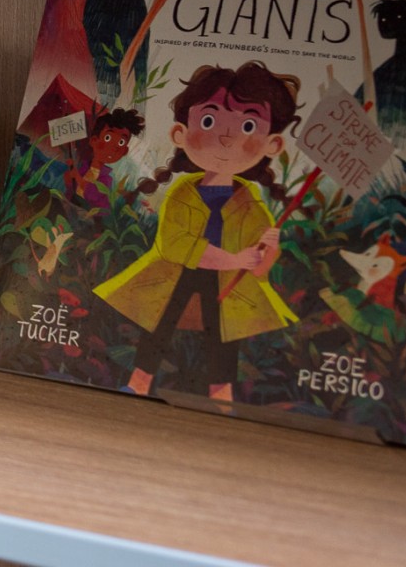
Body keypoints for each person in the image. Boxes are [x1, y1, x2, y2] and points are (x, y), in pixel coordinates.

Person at [94, 62, 301, 403]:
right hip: (179, 274)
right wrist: (233, 257)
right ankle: (140, 380)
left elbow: (260, 270)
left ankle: (221, 394)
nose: (225, 137)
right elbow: (174, 245)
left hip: (228, 283)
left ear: (272, 144)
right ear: (180, 133)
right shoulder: (183, 193)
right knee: (159, 322)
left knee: (224, 335)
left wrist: (268, 250)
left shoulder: (250, 203)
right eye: (209, 121)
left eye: (248, 126)